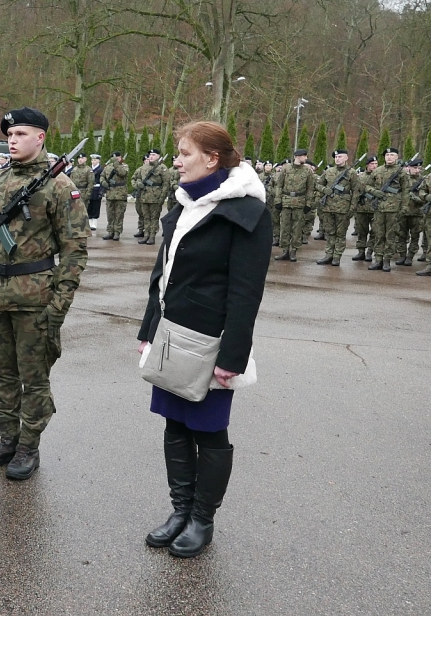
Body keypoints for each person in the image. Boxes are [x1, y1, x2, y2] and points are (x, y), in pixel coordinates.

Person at [137, 121, 271, 558]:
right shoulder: (185, 204)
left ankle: (202, 520)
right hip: (173, 336)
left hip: (211, 343)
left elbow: (246, 292)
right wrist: (148, 331)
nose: (176, 161)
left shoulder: (244, 212)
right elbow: (163, 274)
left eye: (184, 153)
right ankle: (180, 511)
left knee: (210, 431)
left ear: (212, 159)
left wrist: (232, 356)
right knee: (175, 423)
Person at [0, 107, 89, 480]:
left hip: (36, 300)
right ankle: (7, 439)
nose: (12, 139)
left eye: (21, 133)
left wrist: (59, 304)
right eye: (10, 134)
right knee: (3, 375)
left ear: (40, 138)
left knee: (34, 379)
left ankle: (28, 446)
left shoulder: (59, 187)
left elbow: (75, 250)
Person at [367, 147, 411, 272]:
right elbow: (366, 186)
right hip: (379, 208)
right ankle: (378, 259)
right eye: (387, 155)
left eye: (392, 155)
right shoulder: (378, 171)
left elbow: (406, 192)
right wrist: (375, 191)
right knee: (378, 235)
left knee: (390, 236)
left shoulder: (401, 172)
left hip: (394, 209)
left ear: (397, 157)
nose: (389, 157)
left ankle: (387, 260)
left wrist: (404, 207)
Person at [315, 149, 363, 266]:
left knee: (340, 234)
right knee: (330, 233)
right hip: (328, 207)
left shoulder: (351, 173)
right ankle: (328, 255)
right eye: (336, 157)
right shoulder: (328, 171)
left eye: (340, 157)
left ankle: (337, 256)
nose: (337, 159)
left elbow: (356, 191)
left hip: (343, 208)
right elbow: (318, 184)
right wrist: (324, 190)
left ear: (346, 158)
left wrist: (352, 208)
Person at [273, 149, 315, 262]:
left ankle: (293, 251)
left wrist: (308, 203)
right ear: (298, 156)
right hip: (286, 201)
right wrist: (278, 200)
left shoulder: (308, 171)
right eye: (304, 156)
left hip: (300, 202)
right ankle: (285, 250)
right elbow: (279, 185)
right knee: (284, 227)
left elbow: (310, 189)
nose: (306, 158)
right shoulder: (286, 168)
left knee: (297, 228)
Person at [134, 148, 167, 245]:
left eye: (153, 155)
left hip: (156, 197)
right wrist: (139, 183)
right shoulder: (144, 167)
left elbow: (166, 184)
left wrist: (162, 197)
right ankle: (146, 235)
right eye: (150, 155)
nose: (151, 156)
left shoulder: (162, 168)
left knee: (154, 218)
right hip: (144, 196)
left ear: (158, 156)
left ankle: (152, 236)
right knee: (146, 217)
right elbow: (138, 178)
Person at [395, 159, 424, 267]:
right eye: (414, 168)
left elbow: (425, 198)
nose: (416, 170)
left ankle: (410, 256)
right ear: (409, 168)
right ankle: (402, 255)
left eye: (418, 168)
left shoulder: (423, 180)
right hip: (403, 212)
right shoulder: (403, 179)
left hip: (417, 213)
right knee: (401, 236)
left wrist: (416, 198)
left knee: (415, 236)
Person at [353, 155, 379, 262]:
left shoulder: (379, 176)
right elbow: (355, 191)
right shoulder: (360, 177)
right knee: (361, 231)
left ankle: (370, 252)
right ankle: (361, 252)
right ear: (367, 165)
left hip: (374, 208)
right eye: (372, 164)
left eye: (376, 164)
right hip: (361, 208)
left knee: (375, 231)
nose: (374, 166)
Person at [101, 150, 129, 240]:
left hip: (120, 194)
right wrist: (103, 182)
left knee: (119, 214)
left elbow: (122, 173)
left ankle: (117, 232)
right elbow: (102, 176)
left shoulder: (124, 166)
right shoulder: (108, 167)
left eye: (117, 157)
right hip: (110, 193)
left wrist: (116, 163)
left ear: (120, 158)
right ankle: (110, 231)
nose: (116, 159)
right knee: (110, 214)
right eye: (114, 157)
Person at [87, 153, 104, 231]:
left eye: (95, 160)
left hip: (97, 189)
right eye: (92, 160)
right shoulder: (89, 169)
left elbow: (102, 182)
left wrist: (101, 191)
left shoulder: (101, 169)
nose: (93, 161)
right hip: (89, 189)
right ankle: (90, 222)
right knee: (89, 206)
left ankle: (94, 223)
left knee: (96, 206)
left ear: (98, 161)